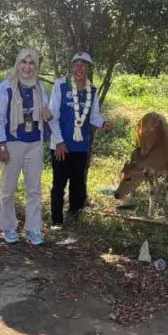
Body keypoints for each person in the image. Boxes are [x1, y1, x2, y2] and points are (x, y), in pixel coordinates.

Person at [0, 48, 51, 246]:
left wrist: (47, 114)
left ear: (36, 66)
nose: (27, 67)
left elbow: (46, 110)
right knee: (8, 188)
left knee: (34, 189)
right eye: (24, 62)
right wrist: (1, 145)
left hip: (35, 142)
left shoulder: (39, 86)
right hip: (12, 141)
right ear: (18, 64)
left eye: (31, 63)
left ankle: (33, 229)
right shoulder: (6, 86)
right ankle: (8, 226)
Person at [49, 53, 114, 228]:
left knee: (77, 185)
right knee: (58, 184)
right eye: (76, 64)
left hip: (80, 146)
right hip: (60, 145)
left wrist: (104, 123)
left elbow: (93, 117)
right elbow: (52, 116)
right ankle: (56, 221)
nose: (79, 68)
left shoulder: (92, 90)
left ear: (88, 68)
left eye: (83, 65)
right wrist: (59, 142)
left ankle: (74, 217)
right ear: (71, 67)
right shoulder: (60, 85)